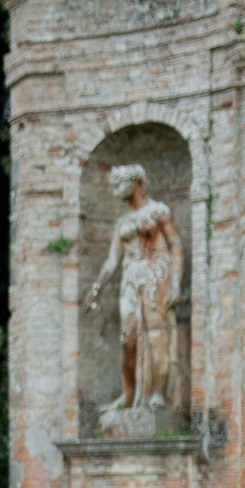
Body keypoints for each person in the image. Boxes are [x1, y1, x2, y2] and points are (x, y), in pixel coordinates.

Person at [84, 164, 179, 413]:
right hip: (130, 279)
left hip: (156, 275)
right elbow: (112, 261)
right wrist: (96, 289)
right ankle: (128, 395)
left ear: (137, 182)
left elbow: (176, 245)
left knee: (157, 335)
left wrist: (176, 282)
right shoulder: (122, 222)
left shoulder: (159, 211)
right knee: (128, 339)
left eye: (121, 183)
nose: (116, 190)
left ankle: (157, 393)